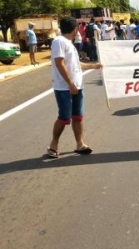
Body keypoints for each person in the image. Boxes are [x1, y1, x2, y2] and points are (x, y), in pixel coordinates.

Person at [46, 16, 102, 158]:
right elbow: (60, 63)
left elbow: (76, 65)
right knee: (64, 118)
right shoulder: (59, 42)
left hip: (77, 86)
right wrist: (70, 83)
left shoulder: (69, 44)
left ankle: (80, 144)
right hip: (65, 88)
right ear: (75, 29)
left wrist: (94, 66)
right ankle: (53, 145)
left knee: (78, 117)